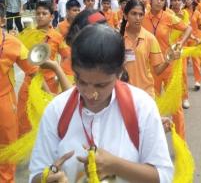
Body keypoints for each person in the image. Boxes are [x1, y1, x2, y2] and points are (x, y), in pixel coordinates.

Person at [29, 24, 174, 183]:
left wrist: (116, 166)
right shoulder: (56, 110)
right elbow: (36, 173)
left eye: (101, 85)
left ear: (119, 73)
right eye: (81, 82)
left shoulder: (142, 107)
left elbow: (163, 176)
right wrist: (45, 179)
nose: (90, 94)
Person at [142, 0, 192, 139]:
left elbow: (188, 28)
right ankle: (152, 139)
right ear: (150, 0)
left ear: (165, 2)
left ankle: (181, 141)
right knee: (151, 104)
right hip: (151, 68)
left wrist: (180, 43)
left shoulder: (169, 17)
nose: (158, 1)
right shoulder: (142, 18)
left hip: (168, 65)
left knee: (175, 106)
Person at [17, 1, 72, 135]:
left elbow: (67, 56)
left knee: (46, 122)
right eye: (38, 13)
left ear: (52, 16)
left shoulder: (57, 37)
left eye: (44, 13)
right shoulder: (27, 34)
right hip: (28, 83)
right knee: (24, 121)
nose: (40, 16)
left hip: (48, 86)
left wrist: (60, 75)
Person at [0, 3, 38, 182]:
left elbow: (32, 70)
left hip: (4, 103)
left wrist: (35, 96)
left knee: (7, 145)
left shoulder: (12, 42)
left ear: (2, 20)